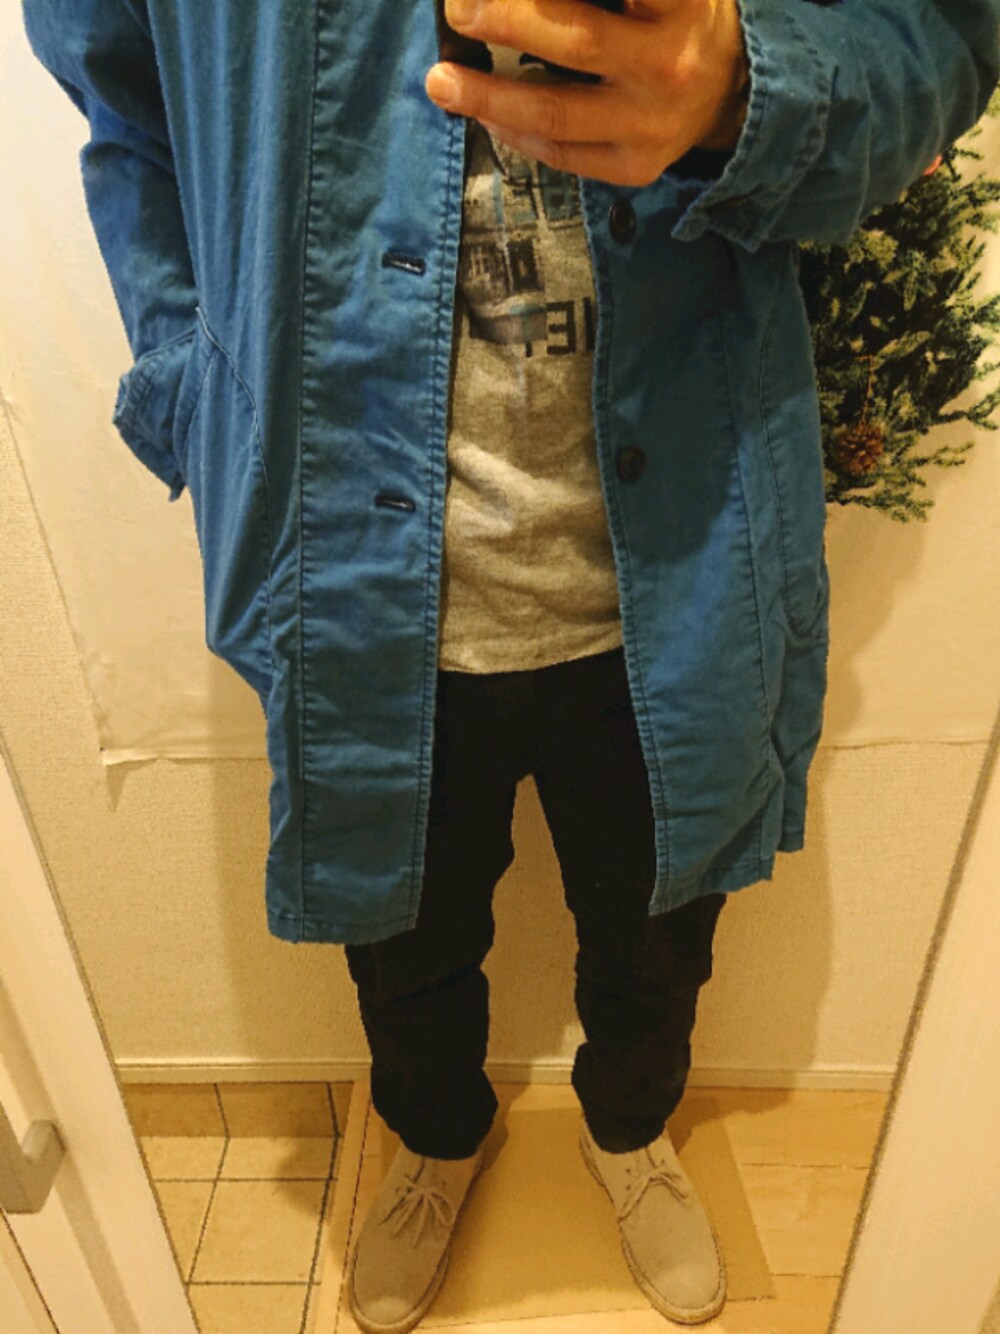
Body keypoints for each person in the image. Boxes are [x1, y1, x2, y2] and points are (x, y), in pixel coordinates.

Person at [22, 1, 1000, 1330]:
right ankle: (434, 1138)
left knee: (658, 940)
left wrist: (744, 89)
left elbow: (935, 38)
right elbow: (124, 106)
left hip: (681, 563)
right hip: (357, 587)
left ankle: (627, 1131)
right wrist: (192, 374)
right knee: (403, 947)